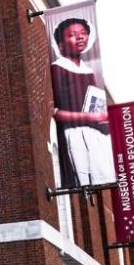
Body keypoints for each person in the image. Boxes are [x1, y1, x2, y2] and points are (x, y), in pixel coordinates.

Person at [50, 16, 114, 190]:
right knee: (82, 179)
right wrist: (89, 117)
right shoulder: (58, 68)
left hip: (96, 136)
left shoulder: (88, 70)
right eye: (72, 35)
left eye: (83, 33)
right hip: (75, 135)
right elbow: (54, 112)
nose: (80, 38)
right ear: (61, 45)